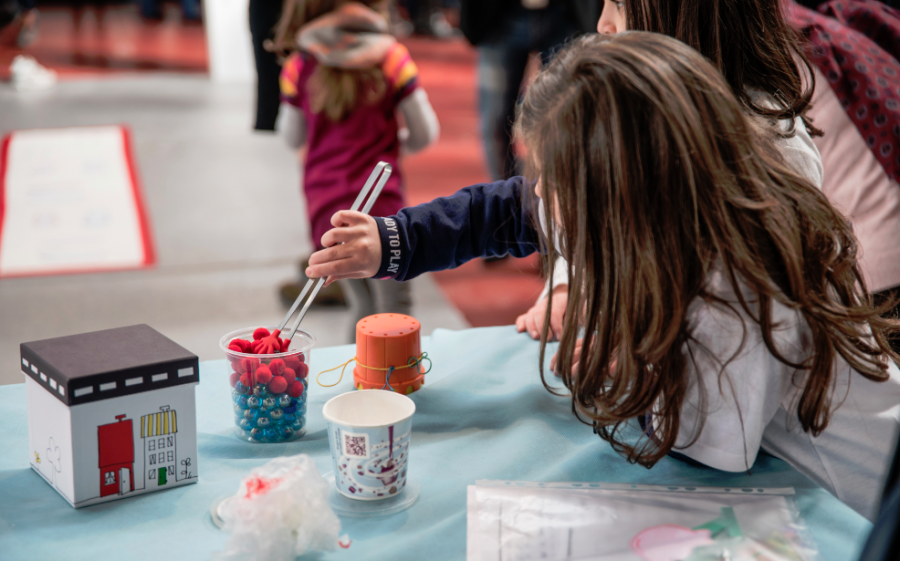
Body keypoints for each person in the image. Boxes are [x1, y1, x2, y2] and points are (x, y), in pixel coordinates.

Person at [304, 32, 900, 520]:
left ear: (620, 185)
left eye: (555, 180)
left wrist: (624, 368)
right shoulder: (664, 208)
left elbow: (709, 447)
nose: (543, 199)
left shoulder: (734, 287)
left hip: (860, 506)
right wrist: (397, 239)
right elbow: (508, 210)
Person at [515, 0, 826, 342]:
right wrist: (567, 285)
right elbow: (611, 225)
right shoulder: (645, 108)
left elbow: (751, 318)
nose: (603, 25)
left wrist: (647, 354)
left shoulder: (774, 148)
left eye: (618, 5)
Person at [273, 0, 439, 338]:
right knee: (396, 311)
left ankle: (358, 385)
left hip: (326, 212)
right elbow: (425, 134)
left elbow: (291, 137)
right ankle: (390, 388)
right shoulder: (392, 57)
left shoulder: (300, 64)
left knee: (363, 310)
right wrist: (394, 145)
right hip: (383, 211)